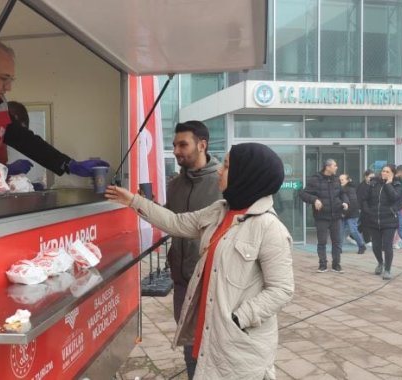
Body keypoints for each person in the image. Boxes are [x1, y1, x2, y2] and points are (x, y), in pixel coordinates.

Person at [105, 143, 294, 379]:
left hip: (238, 344)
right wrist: (134, 201)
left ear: (247, 175)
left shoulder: (269, 228)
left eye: (226, 166)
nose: (219, 170)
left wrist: (238, 318)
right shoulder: (220, 210)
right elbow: (176, 223)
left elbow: (282, 289)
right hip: (206, 331)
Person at [0, 39, 107, 177]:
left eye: (11, 79)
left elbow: (23, 138)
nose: (8, 88)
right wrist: (3, 170)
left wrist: (66, 163)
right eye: (4, 78)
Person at [163, 120, 220, 379]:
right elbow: (170, 221)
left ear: (202, 145)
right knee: (190, 348)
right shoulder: (174, 185)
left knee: (216, 349)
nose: (176, 150)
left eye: (182, 144)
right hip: (183, 283)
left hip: (213, 283)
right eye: (174, 145)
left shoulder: (223, 182)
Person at [299, 159, 349, 273]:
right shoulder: (315, 179)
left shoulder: (336, 180)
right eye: (334, 166)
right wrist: (314, 199)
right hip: (321, 217)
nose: (336, 168)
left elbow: (342, 193)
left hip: (336, 216)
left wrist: (345, 202)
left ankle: (336, 265)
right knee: (322, 242)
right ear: (327, 167)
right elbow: (303, 193)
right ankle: (322, 265)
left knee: (337, 242)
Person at [361, 164, 401, 280]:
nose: (384, 173)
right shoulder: (374, 184)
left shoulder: (396, 184)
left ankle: (387, 269)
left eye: (388, 172)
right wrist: (368, 211)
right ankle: (380, 262)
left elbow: (395, 197)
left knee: (387, 245)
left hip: (389, 220)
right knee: (376, 246)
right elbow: (364, 199)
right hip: (374, 219)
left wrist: (388, 184)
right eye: (383, 171)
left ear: (392, 174)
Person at [339, 174, 366, 254]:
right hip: (342, 213)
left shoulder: (350, 189)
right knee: (340, 231)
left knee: (353, 230)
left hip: (352, 213)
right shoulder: (339, 189)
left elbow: (353, 203)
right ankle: (339, 248)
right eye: (339, 180)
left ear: (347, 180)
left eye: (342, 180)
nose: (340, 181)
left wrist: (345, 213)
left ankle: (361, 245)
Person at [357, 170, 375, 246]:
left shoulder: (372, 185)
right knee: (366, 224)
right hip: (364, 209)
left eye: (373, 177)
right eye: (370, 177)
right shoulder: (362, 186)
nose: (372, 179)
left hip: (369, 208)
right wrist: (360, 208)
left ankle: (352, 236)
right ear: (365, 177)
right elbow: (359, 198)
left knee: (364, 224)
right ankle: (367, 240)